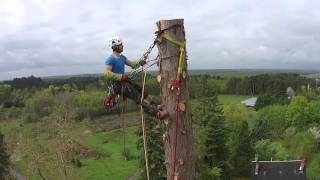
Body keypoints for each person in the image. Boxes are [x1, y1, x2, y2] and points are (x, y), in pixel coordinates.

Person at [104, 37, 168, 120]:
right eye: (120, 45)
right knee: (138, 97)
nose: (122, 46)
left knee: (142, 92)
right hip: (118, 85)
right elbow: (107, 73)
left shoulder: (122, 57)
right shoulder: (110, 59)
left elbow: (132, 64)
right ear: (115, 47)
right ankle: (157, 114)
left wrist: (140, 62)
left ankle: (155, 106)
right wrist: (120, 76)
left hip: (125, 81)